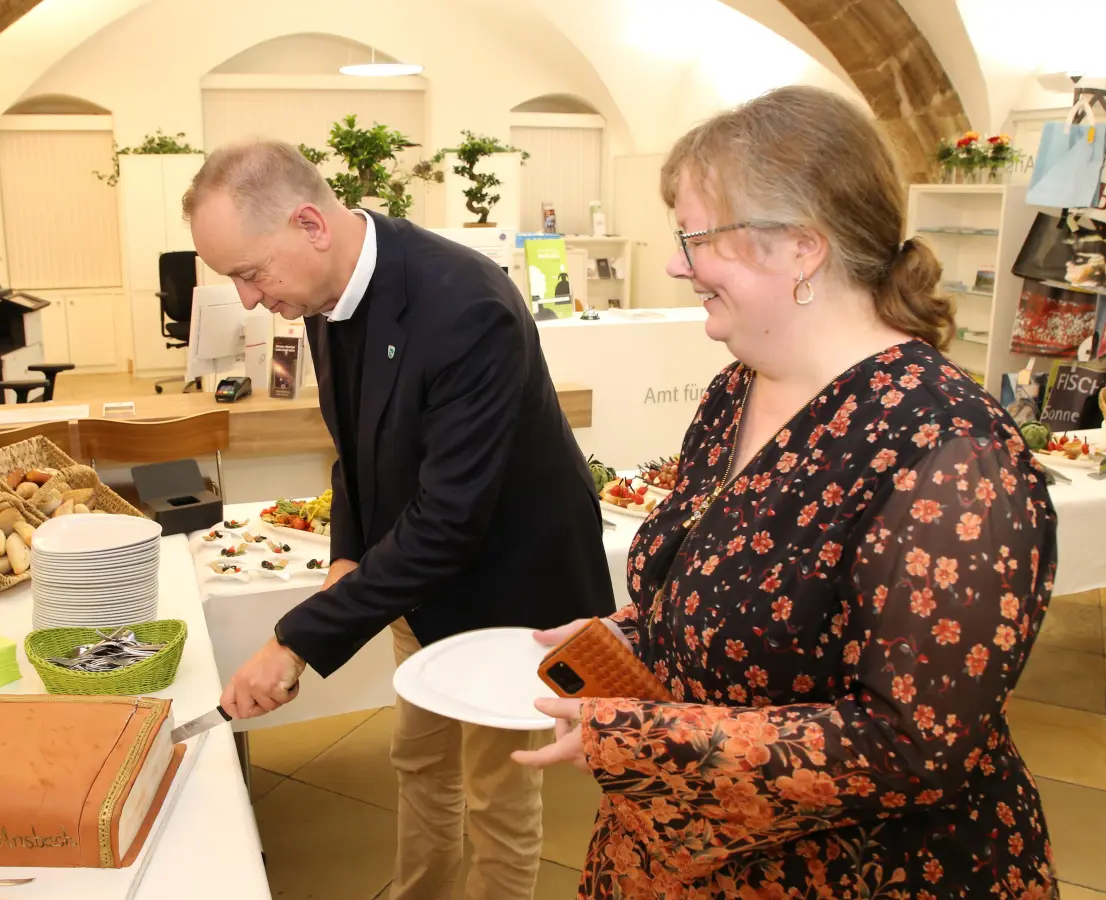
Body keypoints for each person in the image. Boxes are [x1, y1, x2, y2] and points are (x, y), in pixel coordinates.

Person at [514, 85, 1059, 897]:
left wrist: (647, 740)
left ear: (802, 248)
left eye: (696, 236)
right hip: (685, 853)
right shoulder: (736, 391)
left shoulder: (950, 456)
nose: (675, 262)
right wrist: (634, 635)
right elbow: (754, 603)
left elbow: (912, 750)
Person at [183, 141, 614, 900]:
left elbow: (450, 522)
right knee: (419, 765)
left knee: (497, 796)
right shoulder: (319, 294)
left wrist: (295, 642)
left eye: (250, 274)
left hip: (510, 588)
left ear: (311, 224)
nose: (249, 300)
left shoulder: (465, 305)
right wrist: (348, 557)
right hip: (413, 578)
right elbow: (353, 448)